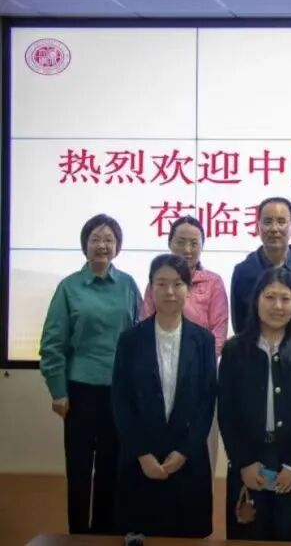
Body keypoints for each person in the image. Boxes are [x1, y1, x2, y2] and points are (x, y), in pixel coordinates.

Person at [39, 214, 141, 535]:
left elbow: (139, 337)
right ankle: (78, 538)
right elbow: (52, 344)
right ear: (85, 244)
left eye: (109, 239)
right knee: (79, 472)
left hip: (117, 393)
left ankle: (104, 537)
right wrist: (58, 391)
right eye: (95, 238)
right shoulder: (69, 287)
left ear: (118, 246)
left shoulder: (128, 285)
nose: (102, 245)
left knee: (112, 471)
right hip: (79, 392)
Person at [112, 254, 217, 538]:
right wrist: (142, 453)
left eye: (178, 284)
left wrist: (184, 452)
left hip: (188, 460)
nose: (170, 291)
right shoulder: (130, 340)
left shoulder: (204, 340)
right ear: (150, 289)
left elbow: (207, 401)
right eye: (161, 283)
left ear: (188, 289)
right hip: (140, 461)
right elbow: (121, 401)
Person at [218, 268, 291, 542]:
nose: (278, 306)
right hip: (248, 462)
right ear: (256, 300)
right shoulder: (234, 350)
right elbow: (227, 412)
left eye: (285, 299)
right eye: (270, 297)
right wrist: (243, 462)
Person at [142, 215, 228, 474]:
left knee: (200, 451)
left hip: (200, 378)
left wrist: (200, 367)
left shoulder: (213, 282)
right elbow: (145, 324)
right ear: (170, 243)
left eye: (194, 243)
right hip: (159, 375)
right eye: (181, 242)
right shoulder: (156, 281)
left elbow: (219, 330)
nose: (187, 249)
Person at [231, 196, 291, 333]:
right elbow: (239, 324)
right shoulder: (243, 271)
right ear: (258, 227)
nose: (274, 228)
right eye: (268, 222)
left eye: (281, 222)